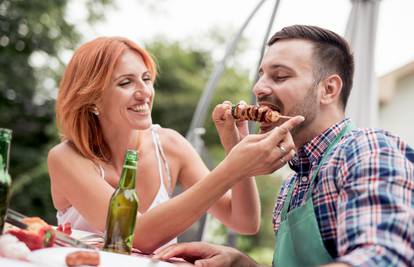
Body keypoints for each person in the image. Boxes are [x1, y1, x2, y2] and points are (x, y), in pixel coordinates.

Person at [154, 25, 414, 266]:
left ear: (329, 89)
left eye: (279, 76)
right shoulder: (292, 184)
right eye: (261, 76)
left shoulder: (367, 150)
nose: (258, 88)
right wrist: (243, 263)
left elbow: (383, 256)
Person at [47, 36, 305, 253]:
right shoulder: (66, 157)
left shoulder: (169, 146)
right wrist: (231, 169)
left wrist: (233, 148)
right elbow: (135, 236)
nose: (144, 92)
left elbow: (244, 221)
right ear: (92, 100)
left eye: (146, 79)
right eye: (126, 82)